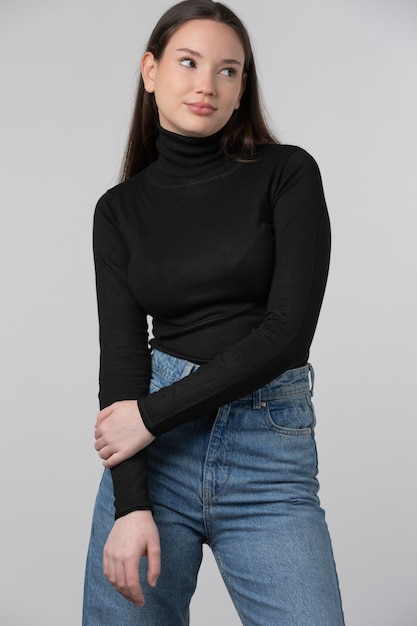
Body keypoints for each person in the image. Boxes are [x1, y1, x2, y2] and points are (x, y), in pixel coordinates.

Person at [83, 1, 345, 624]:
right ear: (150, 71)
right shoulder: (118, 211)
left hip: (266, 456)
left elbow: (286, 335)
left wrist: (151, 415)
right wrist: (129, 505)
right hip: (156, 458)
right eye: (189, 62)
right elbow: (123, 358)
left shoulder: (288, 174)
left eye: (229, 70)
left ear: (242, 88)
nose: (206, 84)